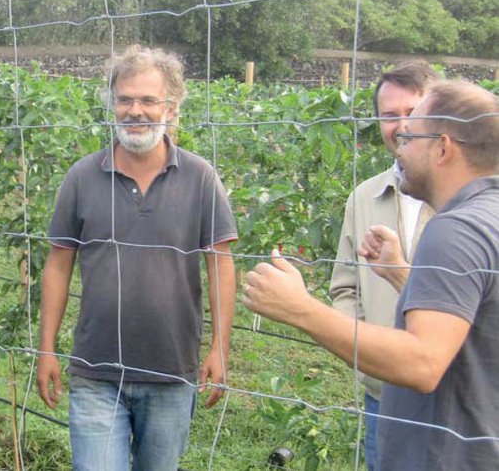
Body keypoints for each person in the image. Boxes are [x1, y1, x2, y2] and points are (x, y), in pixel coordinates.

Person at [243, 80, 499, 470]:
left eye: (410, 137)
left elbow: (423, 362)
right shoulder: (489, 216)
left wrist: (300, 309)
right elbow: (471, 325)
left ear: (443, 148)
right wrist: (402, 276)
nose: (400, 149)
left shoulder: (456, 230)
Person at [36, 45, 238, 471]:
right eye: (125, 99)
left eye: (149, 100)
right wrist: (47, 349)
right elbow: (58, 264)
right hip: (96, 371)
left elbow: (220, 264)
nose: (136, 111)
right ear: (112, 104)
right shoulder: (82, 177)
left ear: (172, 106)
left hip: (171, 373)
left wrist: (220, 348)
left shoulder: (201, 178)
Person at [329, 60, 439, 469]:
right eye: (389, 115)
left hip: (455, 394)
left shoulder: (474, 202)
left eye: (413, 112)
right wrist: (363, 347)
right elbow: (344, 287)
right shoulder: (364, 197)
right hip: (384, 394)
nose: (401, 125)